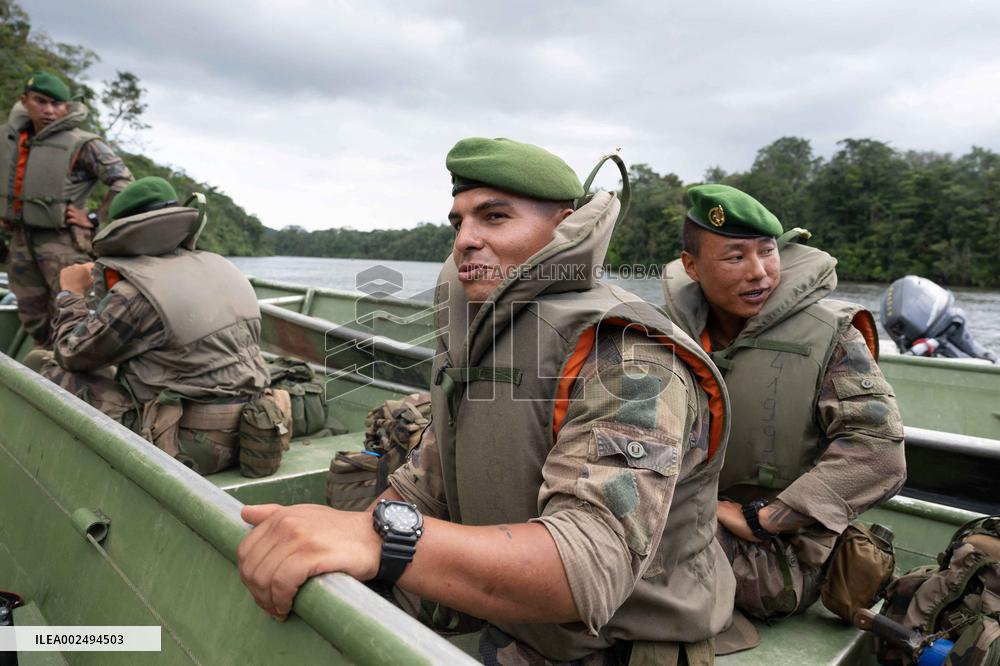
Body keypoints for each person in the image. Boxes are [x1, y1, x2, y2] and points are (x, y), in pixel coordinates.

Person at [238, 138, 736, 664]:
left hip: (612, 647)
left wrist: (380, 540)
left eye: (494, 217)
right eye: (459, 223)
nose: (465, 242)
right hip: (514, 623)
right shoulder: (487, 331)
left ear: (565, 227)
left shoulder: (628, 355)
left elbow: (587, 568)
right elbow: (428, 481)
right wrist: (346, 536)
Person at [660, 183, 907, 620]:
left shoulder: (831, 336)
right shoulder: (663, 332)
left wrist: (767, 518)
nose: (758, 272)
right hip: (690, 515)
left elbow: (880, 455)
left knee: (624, 538)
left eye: (767, 251)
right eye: (735, 257)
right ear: (691, 266)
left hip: (781, 559)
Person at [41, 176, 270, 474]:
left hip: (193, 446)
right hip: (256, 432)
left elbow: (71, 353)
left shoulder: (136, 294)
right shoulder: (223, 267)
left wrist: (70, 293)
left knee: (55, 375)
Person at [0, 71, 133, 346]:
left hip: (64, 242)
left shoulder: (84, 144)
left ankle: (71, 373)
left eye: (57, 104)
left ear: (67, 107)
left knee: (73, 307)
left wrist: (95, 216)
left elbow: (123, 181)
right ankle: (47, 360)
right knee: (31, 313)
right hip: (22, 241)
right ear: (25, 101)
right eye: (41, 101)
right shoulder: (10, 138)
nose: (49, 110)